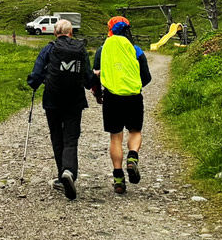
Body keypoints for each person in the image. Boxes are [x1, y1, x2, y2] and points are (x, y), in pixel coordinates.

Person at [26, 19, 97, 200]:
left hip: (53, 100)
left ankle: (62, 176)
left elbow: (36, 74)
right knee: (71, 138)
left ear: (55, 33)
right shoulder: (80, 49)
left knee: (57, 136)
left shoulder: (49, 49)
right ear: (71, 33)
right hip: (75, 101)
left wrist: (33, 83)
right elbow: (88, 79)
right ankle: (69, 172)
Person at [92, 16, 151, 194]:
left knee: (115, 137)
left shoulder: (102, 50)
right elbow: (146, 77)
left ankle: (118, 178)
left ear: (109, 29)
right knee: (135, 131)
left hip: (112, 97)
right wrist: (134, 85)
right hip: (133, 96)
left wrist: (97, 93)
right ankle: (132, 157)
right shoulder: (136, 49)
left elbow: (96, 75)